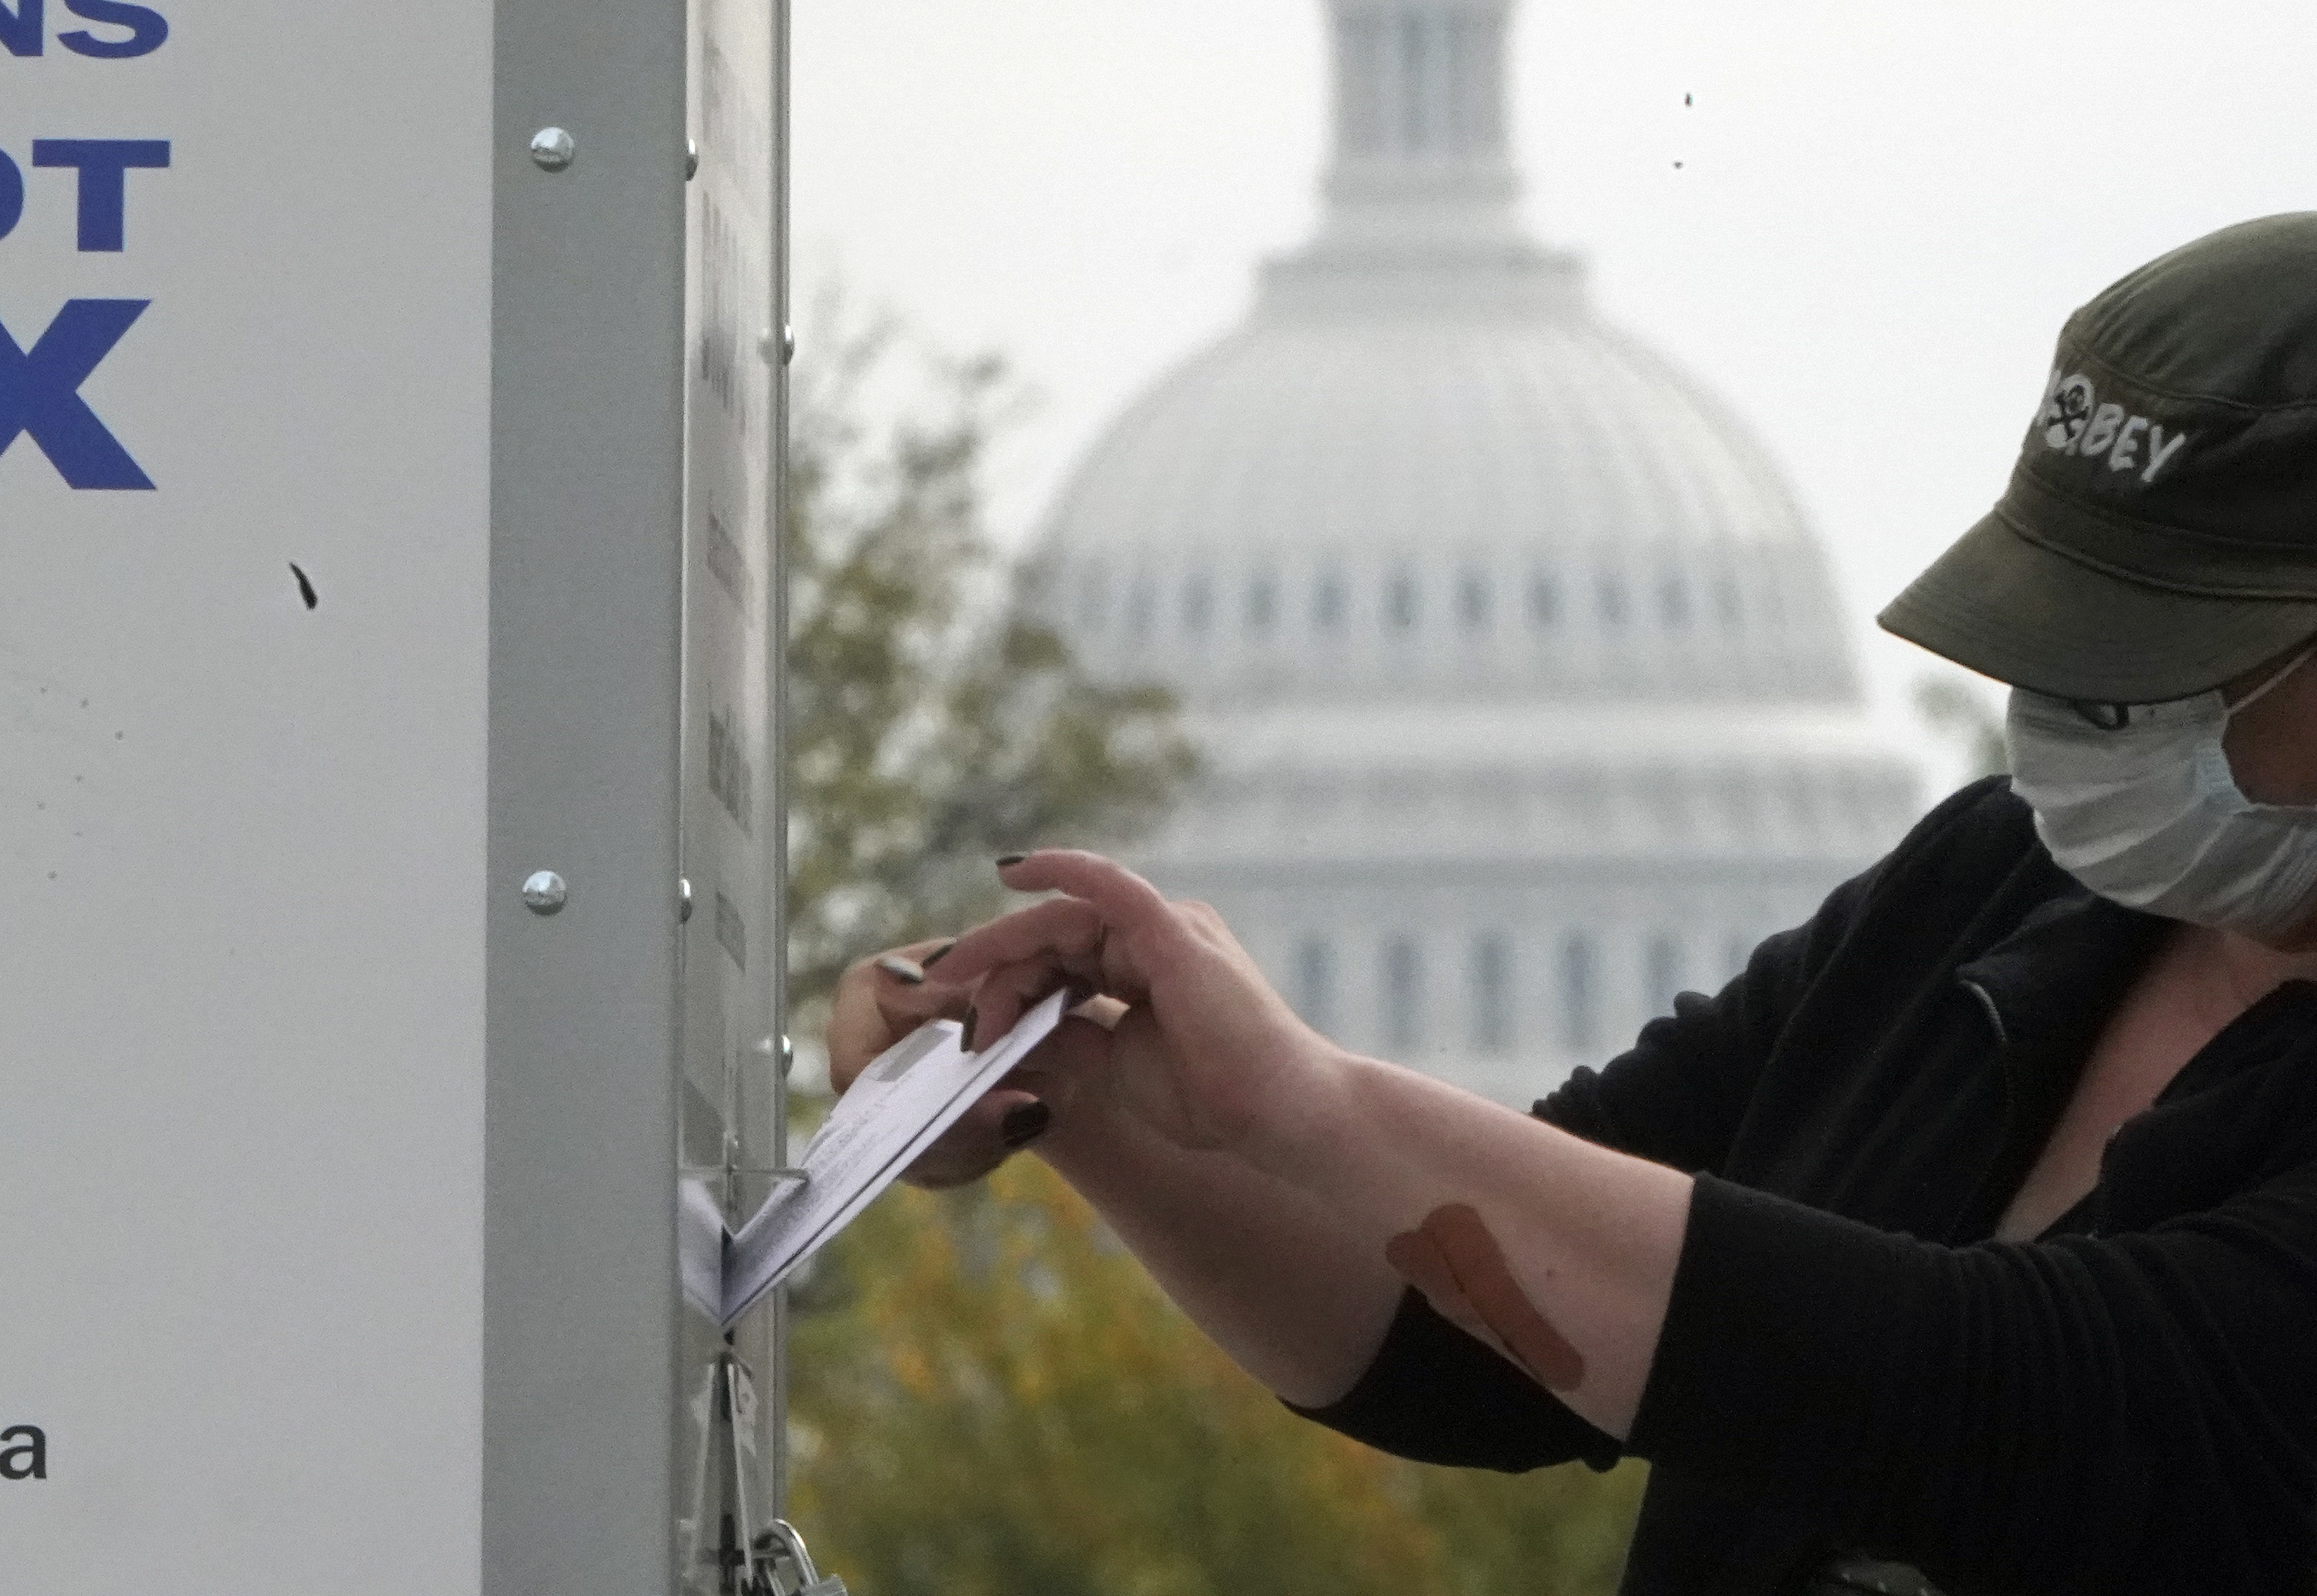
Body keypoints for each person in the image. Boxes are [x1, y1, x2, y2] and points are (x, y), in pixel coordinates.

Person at [829, 213, 2317, 1596]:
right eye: (2057, 637)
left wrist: (1317, 1100)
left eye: (2158, 651)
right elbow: (1486, 1329)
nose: (2076, 707)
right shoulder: (2001, 886)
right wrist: (1076, 1075)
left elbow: (2020, 1406)